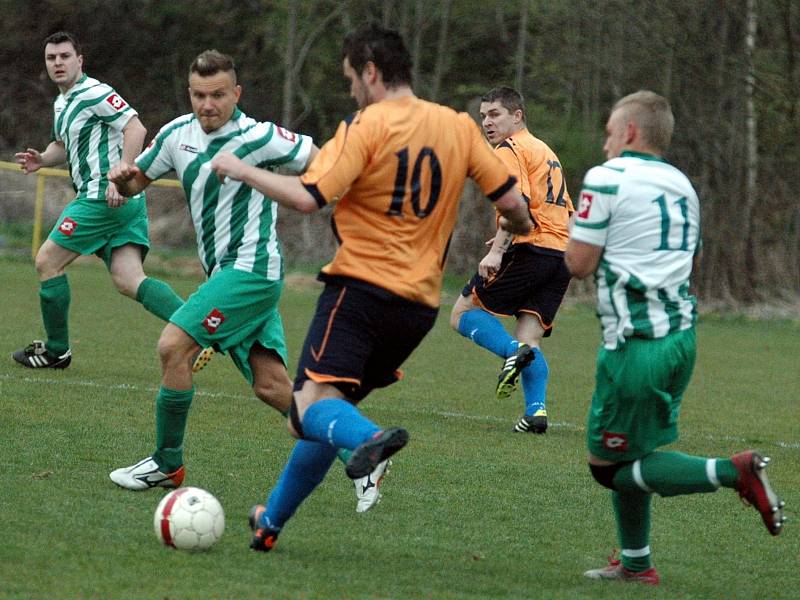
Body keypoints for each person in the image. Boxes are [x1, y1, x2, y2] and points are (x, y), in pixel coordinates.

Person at [210, 23, 533, 552]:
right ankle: (270, 522)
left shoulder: (367, 125)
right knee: (330, 405)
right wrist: (515, 233)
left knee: (305, 410)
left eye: (350, 78)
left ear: (371, 72)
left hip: (359, 291)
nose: (351, 90)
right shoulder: (457, 127)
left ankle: (369, 440)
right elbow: (515, 206)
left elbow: (309, 197)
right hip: (418, 307)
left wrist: (242, 169)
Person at [104, 50, 386, 514]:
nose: (207, 104)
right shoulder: (178, 134)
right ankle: (361, 453)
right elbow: (138, 180)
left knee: (173, 346)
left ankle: (166, 463)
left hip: (252, 271)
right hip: (227, 275)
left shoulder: (259, 137)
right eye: (199, 95)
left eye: (217, 95)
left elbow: (322, 161)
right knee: (273, 387)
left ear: (236, 93)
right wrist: (122, 179)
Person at [565, 90, 786, 585]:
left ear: (628, 132)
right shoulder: (682, 185)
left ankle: (734, 472)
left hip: (636, 345)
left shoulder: (607, 177)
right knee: (633, 456)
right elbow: (691, 260)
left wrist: (571, 231)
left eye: (607, 134)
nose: (604, 146)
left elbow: (579, 265)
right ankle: (637, 563)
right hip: (681, 338)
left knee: (607, 467)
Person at [12, 31, 186, 370]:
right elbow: (62, 145)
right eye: (51, 58)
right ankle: (195, 328)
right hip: (118, 202)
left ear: (80, 60)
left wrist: (123, 170)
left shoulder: (94, 92)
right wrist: (42, 160)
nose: (58, 63)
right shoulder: (62, 102)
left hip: (102, 195)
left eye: (65, 56)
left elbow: (134, 128)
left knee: (48, 261)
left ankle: (56, 350)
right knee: (128, 279)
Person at [449, 86, 573, 434]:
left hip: (530, 247)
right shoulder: (546, 151)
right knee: (530, 336)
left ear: (517, 116)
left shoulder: (508, 148)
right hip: (560, 255)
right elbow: (567, 213)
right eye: (483, 116)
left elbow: (515, 201)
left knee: (462, 314)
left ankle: (512, 352)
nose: (487, 122)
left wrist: (497, 250)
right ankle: (536, 412)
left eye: (495, 115)